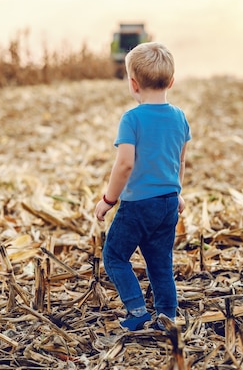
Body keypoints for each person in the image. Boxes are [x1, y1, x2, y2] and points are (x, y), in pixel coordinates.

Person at [94, 42, 191, 331]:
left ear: (133, 84)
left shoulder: (132, 119)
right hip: (168, 203)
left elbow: (124, 165)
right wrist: (178, 193)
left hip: (138, 206)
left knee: (114, 256)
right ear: (171, 82)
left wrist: (109, 200)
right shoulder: (179, 117)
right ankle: (167, 316)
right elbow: (180, 160)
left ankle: (137, 311)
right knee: (161, 263)